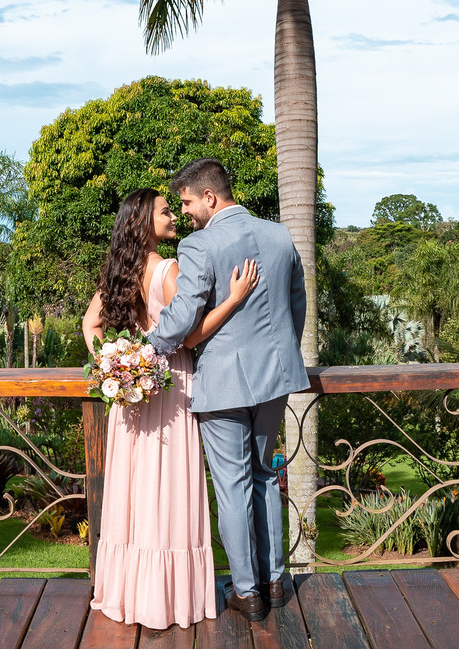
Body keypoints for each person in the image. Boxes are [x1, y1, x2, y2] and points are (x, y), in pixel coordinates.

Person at [82, 187, 260, 629]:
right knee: (167, 490)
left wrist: (115, 364)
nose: (174, 217)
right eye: (166, 211)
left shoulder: (117, 270)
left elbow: (90, 324)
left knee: (135, 491)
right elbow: (190, 333)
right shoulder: (167, 269)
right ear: (145, 221)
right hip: (170, 384)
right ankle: (168, 598)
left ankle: (130, 593)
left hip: (132, 393)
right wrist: (234, 299)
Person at [147, 158, 311, 623]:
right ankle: (275, 583)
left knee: (233, 486)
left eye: (186, 202)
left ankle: (247, 592)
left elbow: (183, 316)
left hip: (223, 384)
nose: (184, 212)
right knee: (264, 476)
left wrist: (146, 347)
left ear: (210, 197)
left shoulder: (200, 244)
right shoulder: (280, 235)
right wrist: (282, 354)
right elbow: (296, 303)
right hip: (277, 378)